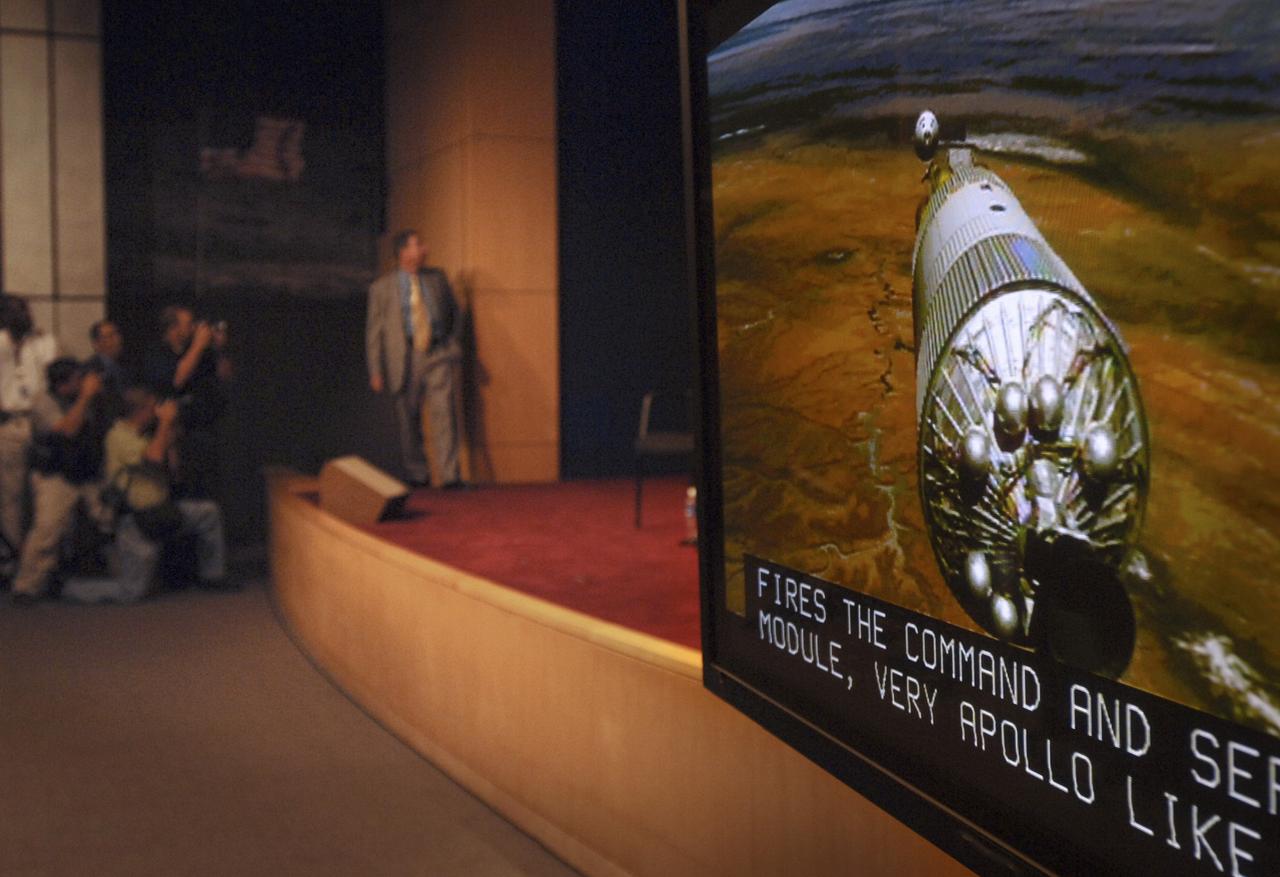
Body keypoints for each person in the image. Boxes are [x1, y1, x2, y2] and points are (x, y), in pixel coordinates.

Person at [61, 386, 230, 604]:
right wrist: (165, 423)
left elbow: (175, 471)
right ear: (140, 411)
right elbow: (154, 458)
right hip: (136, 522)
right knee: (131, 592)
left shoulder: (146, 435)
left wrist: (171, 436)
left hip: (162, 511)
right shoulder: (118, 436)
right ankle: (69, 588)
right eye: (153, 408)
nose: (158, 412)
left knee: (208, 513)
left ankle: (213, 576)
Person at [366, 229, 464, 487]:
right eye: (418, 244)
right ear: (403, 253)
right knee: (408, 420)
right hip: (405, 359)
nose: (425, 249)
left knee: (445, 415)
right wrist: (375, 369)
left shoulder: (437, 278)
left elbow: (456, 313)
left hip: (437, 353)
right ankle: (418, 474)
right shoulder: (382, 288)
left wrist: (451, 344)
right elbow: (374, 332)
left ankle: (450, 476)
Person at [9, 359, 109, 604]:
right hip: (56, 474)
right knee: (47, 530)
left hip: (86, 470)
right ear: (63, 384)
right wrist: (85, 398)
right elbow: (68, 430)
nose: (84, 382)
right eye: (78, 378)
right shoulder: (44, 403)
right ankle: (26, 587)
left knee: (108, 520)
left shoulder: (89, 397)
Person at [144, 305, 230, 498]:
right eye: (189, 324)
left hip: (205, 431)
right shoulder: (157, 353)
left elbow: (225, 376)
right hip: (175, 435)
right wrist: (198, 346)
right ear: (173, 328)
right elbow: (176, 380)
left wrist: (218, 349)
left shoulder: (198, 352)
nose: (194, 328)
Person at [0, 295, 58, 558]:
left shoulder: (43, 342)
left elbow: (52, 376)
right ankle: (15, 555)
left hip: (40, 421)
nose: (23, 314)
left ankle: (40, 557)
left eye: (24, 309)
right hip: (9, 423)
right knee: (11, 496)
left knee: (45, 494)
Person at [86, 319, 129, 420]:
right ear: (96, 343)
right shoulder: (91, 369)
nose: (117, 340)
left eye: (117, 334)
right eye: (110, 336)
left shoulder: (126, 365)